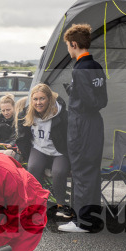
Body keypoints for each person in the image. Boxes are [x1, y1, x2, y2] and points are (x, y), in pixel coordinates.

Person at [58, 23, 107, 234]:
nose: (68, 50)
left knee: (80, 171)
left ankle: (82, 222)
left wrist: (75, 94)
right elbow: (101, 100)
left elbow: (88, 102)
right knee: (92, 172)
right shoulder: (96, 66)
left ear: (74, 44)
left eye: (68, 46)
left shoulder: (79, 69)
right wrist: (76, 93)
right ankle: (91, 219)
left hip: (82, 125)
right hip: (95, 123)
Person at [15, 83, 73, 221]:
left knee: (58, 172)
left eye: (42, 99)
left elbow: (70, 137)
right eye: (35, 99)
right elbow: (22, 135)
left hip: (59, 150)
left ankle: (61, 204)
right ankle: (37, 206)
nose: (38, 102)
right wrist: (24, 151)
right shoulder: (27, 113)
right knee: (33, 167)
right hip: (39, 148)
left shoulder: (62, 114)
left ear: (49, 99)